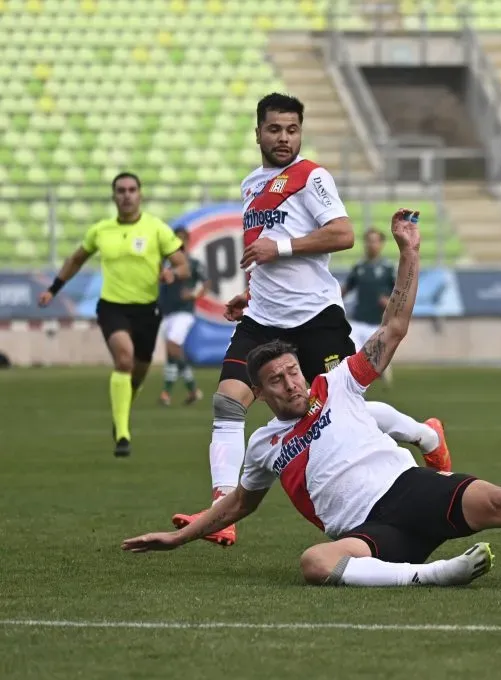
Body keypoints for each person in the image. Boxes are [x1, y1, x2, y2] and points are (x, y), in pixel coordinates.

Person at [122, 210, 501, 588]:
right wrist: (181, 538)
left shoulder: (337, 384)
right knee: (314, 563)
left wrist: (410, 252)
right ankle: (434, 575)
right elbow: (239, 503)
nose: (291, 383)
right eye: (278, 381)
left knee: (498, 501)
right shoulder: (263, 445)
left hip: (408, 490)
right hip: (367, 532)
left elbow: (394, 326)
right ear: (258, 393)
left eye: (292, 373)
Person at [172, 93, 450, 548]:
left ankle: (424, 435)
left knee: (340, 413)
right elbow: (266, 252)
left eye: (292, 130)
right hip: (264, 319)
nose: (283, 138)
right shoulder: (251, 185)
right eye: (275, 129)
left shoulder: (311, 177)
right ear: (257, 131)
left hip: (316, 318)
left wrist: (277, 249)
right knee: (227, 404)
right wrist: (253, 291)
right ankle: (222, 512)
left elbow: (342, 234)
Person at [38, 172, 190, 457]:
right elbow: (75, 259)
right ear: (114, 196)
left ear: (140, 194)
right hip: (112, 307)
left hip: (147, 309)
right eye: (121, 190)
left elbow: (184, 265)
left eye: (132, 189)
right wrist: (53, 289)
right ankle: (122, 434)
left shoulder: (156, 228)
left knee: (137, 374)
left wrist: (172, 273)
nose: (127, 195)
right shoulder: (100, 230)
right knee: (124, 358)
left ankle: (121, 413)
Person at [158, 227, 209, 406]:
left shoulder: (193, 263)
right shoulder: (166, 263)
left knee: (173, 346)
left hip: (184, 312)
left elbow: (206, 284)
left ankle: (193, 388)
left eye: (181, 240)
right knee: (171, 354)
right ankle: (167, 394)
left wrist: (194, 295)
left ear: (187, 242)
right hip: (167, 311)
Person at [342, 228, 397, 384]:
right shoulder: (359, 267)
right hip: (358, 320)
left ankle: (381, 370)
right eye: (369, 241)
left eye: (375, 241)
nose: (371, 244)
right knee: (352, 355)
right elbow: (347, 288)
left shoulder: (388, 268)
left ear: (381, 244)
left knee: (375, 360)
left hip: (377, 323)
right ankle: (357, 387)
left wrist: (390, 303)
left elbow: (400, 293)